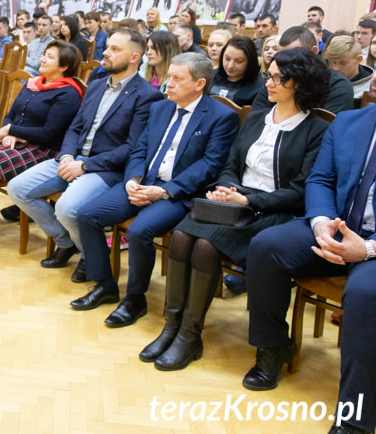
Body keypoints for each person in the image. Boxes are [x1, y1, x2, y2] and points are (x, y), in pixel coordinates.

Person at [141, 49, 330, 371]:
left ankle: (189, 334)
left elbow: (300, 190)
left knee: (204, 245)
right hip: (235, 201)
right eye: (268, 75)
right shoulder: (257, 119)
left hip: (273, 210)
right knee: (183, 235)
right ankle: (171, 326)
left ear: (299, 83)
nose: (267, 83)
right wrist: (228, 189)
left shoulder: (316, 129)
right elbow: (229, 165)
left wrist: (248, 201)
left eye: (276, 78)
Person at [70, 53, 239, 326]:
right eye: (168, 76)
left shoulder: (221, 117)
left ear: (199, 84)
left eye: (176, 79)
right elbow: (140, 149)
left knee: (138, 231)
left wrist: (164, 192)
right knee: (87, 215)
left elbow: (209, 166)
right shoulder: (160, 108)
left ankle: (135, 299)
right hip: (144, 182)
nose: (167, 84)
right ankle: (105, 284)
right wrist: (133, 180)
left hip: (178, 193)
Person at [242, 97, 376, 434]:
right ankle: (273, 348)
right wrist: (320, 223)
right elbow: (320, 181)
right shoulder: (348, 121)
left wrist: (368, 249)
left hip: (373, 246)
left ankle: (354, 417)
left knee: (364, 294)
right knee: (266, 246)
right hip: (335, 225)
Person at [8, 29, 163, 278]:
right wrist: (68, 156)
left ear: (135, 57)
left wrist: (84, 167)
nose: (105, 52)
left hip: (106, 168)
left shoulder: (147, 95)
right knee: (18, 189)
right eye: (108, 46)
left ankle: (91, 258)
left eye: (115, 49)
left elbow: (132, 148)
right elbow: (75, 127)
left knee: (67, 208)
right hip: (73, 158)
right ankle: (69, 243)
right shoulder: (96, 85)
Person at [0, 42, 84, 262]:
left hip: (42, 150)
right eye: (44, 54)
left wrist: (13, 130)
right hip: (17, 142)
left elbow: (48, 133)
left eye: (50, 57)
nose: (43, 59)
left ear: (64, 67)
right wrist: (9, 132)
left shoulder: (68, 93)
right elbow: (11, 114)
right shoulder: (33, 84)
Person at [251, 26, 354, 114]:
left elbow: (326, 127)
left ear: (314, 52)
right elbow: (256, 117)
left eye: (294, 55)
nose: (285, 62)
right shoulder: (275, 80)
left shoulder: (338, 85)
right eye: (282, 54)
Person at [208, 36, 262, 106]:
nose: (230, 66)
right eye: (227, 59)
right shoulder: (211, 76)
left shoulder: (259, 86)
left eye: (239, 61)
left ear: (250, 61)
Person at [322, 34, 373, 102]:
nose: (336, 68)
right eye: (334, 62)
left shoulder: (371, 86)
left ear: (359, 59)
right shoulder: (323, 80)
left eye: (342, 63)